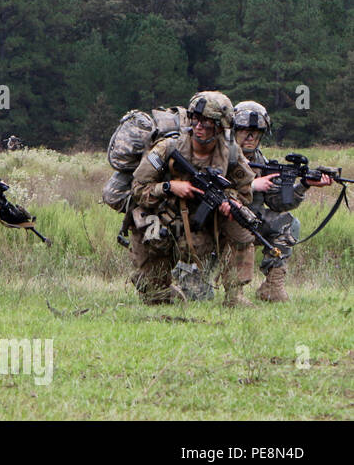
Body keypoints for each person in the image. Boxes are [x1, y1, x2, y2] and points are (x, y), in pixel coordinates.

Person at [128, 91, 257, 306]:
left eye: (207, 123)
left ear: (219, 127)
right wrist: (169, 187)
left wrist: (230, 201)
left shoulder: (232, 154)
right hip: (166, 220)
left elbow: (245, 193)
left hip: (205, 225)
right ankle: (157, 286)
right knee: (154, 296)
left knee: (242, 223)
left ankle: (235, 295)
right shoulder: (168, 149)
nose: (199, 126)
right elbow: (138, 189)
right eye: (196, 120)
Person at [232, 101, 332, 302]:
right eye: (244, 131)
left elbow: (278, 203)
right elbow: (208, 188)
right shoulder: (222, 156)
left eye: (256, 131)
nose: (250, 137)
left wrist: (303, 184)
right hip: (218, 222)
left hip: (251, 221)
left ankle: (272, 286)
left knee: (288, 224)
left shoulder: (261, 161)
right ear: (234, 131)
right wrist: (250, 185)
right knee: (196, 293)